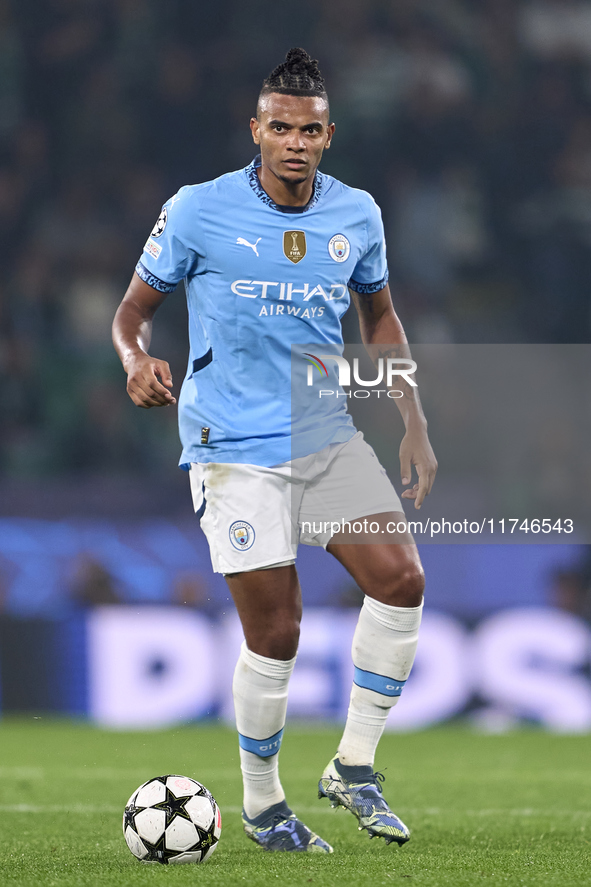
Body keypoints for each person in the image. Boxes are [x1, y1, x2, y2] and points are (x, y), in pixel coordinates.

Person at [112, 48, 437, 854]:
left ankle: (353, 766)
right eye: (281, 128)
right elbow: (131, 312)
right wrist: (135, 360)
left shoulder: (356, 214)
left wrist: (413, 416)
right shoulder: (196, 210)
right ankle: (261, 804)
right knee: (279, 630)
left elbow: (381, 317)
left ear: (330, 136)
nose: (295, 141)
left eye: (311, 130)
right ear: (256, 130)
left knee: (400, 580)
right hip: (231, 446)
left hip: (325, 433)